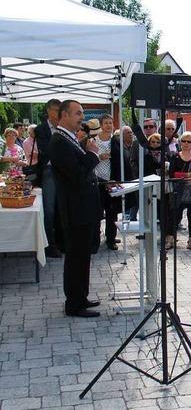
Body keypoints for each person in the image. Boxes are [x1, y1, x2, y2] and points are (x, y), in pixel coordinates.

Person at [48, 100, 101, 317]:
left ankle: (81, 297)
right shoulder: (59, 141)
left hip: (83, 209)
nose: (82, 117)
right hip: (76, 210)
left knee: (83, 256)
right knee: (76, 258)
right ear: (64, 116)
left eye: (82, 113)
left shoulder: (69, 138)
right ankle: (74, 304)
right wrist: (93, 155)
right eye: (78, 113)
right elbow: (77, 175)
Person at [167, 131, 191, 250]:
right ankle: (171, 238)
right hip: (179, 192)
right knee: (175, 216)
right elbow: (172, 174)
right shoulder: (175, 157)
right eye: (184, 141)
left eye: (189, 141)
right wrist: (187, 175)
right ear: (180, 142)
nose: (186, 143)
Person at [35, 98, 63, 258]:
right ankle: (49, 246)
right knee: (49, 210)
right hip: (49, 171)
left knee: (61, 208)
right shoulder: (41, 129)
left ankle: (61, 242)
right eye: (55, 110)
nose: (58, 114)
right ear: (48, 111)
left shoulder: (62, 127)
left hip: (62, 171)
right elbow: (45, 150)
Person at [93, 114, 118, 250]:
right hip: (98, 181)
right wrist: (99, 157)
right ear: (101, 125)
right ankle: (95, 239)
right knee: (97, 212)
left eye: (111, 122)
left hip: (112, 180)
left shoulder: (115, 140)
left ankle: (111, 239)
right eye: (106, 123)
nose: (109, 125)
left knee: (112, 212)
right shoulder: (93, 141)